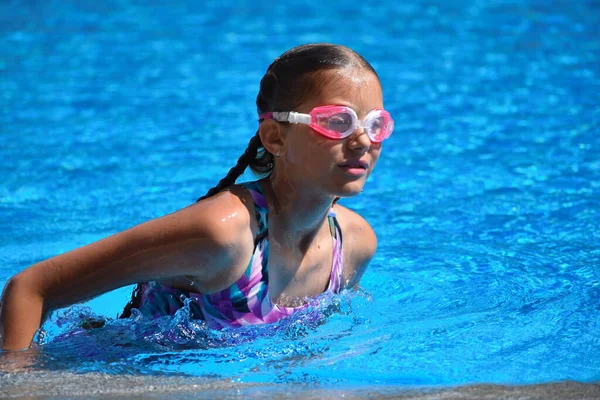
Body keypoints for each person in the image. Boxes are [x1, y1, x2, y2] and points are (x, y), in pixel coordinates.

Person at [0, 43, 394, 351]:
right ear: (276, 137)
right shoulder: (223, 234)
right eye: (337, 122)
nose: (362, 140)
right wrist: (21, 383)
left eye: (376, 124)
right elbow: (33, 287)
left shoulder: (355, 243)